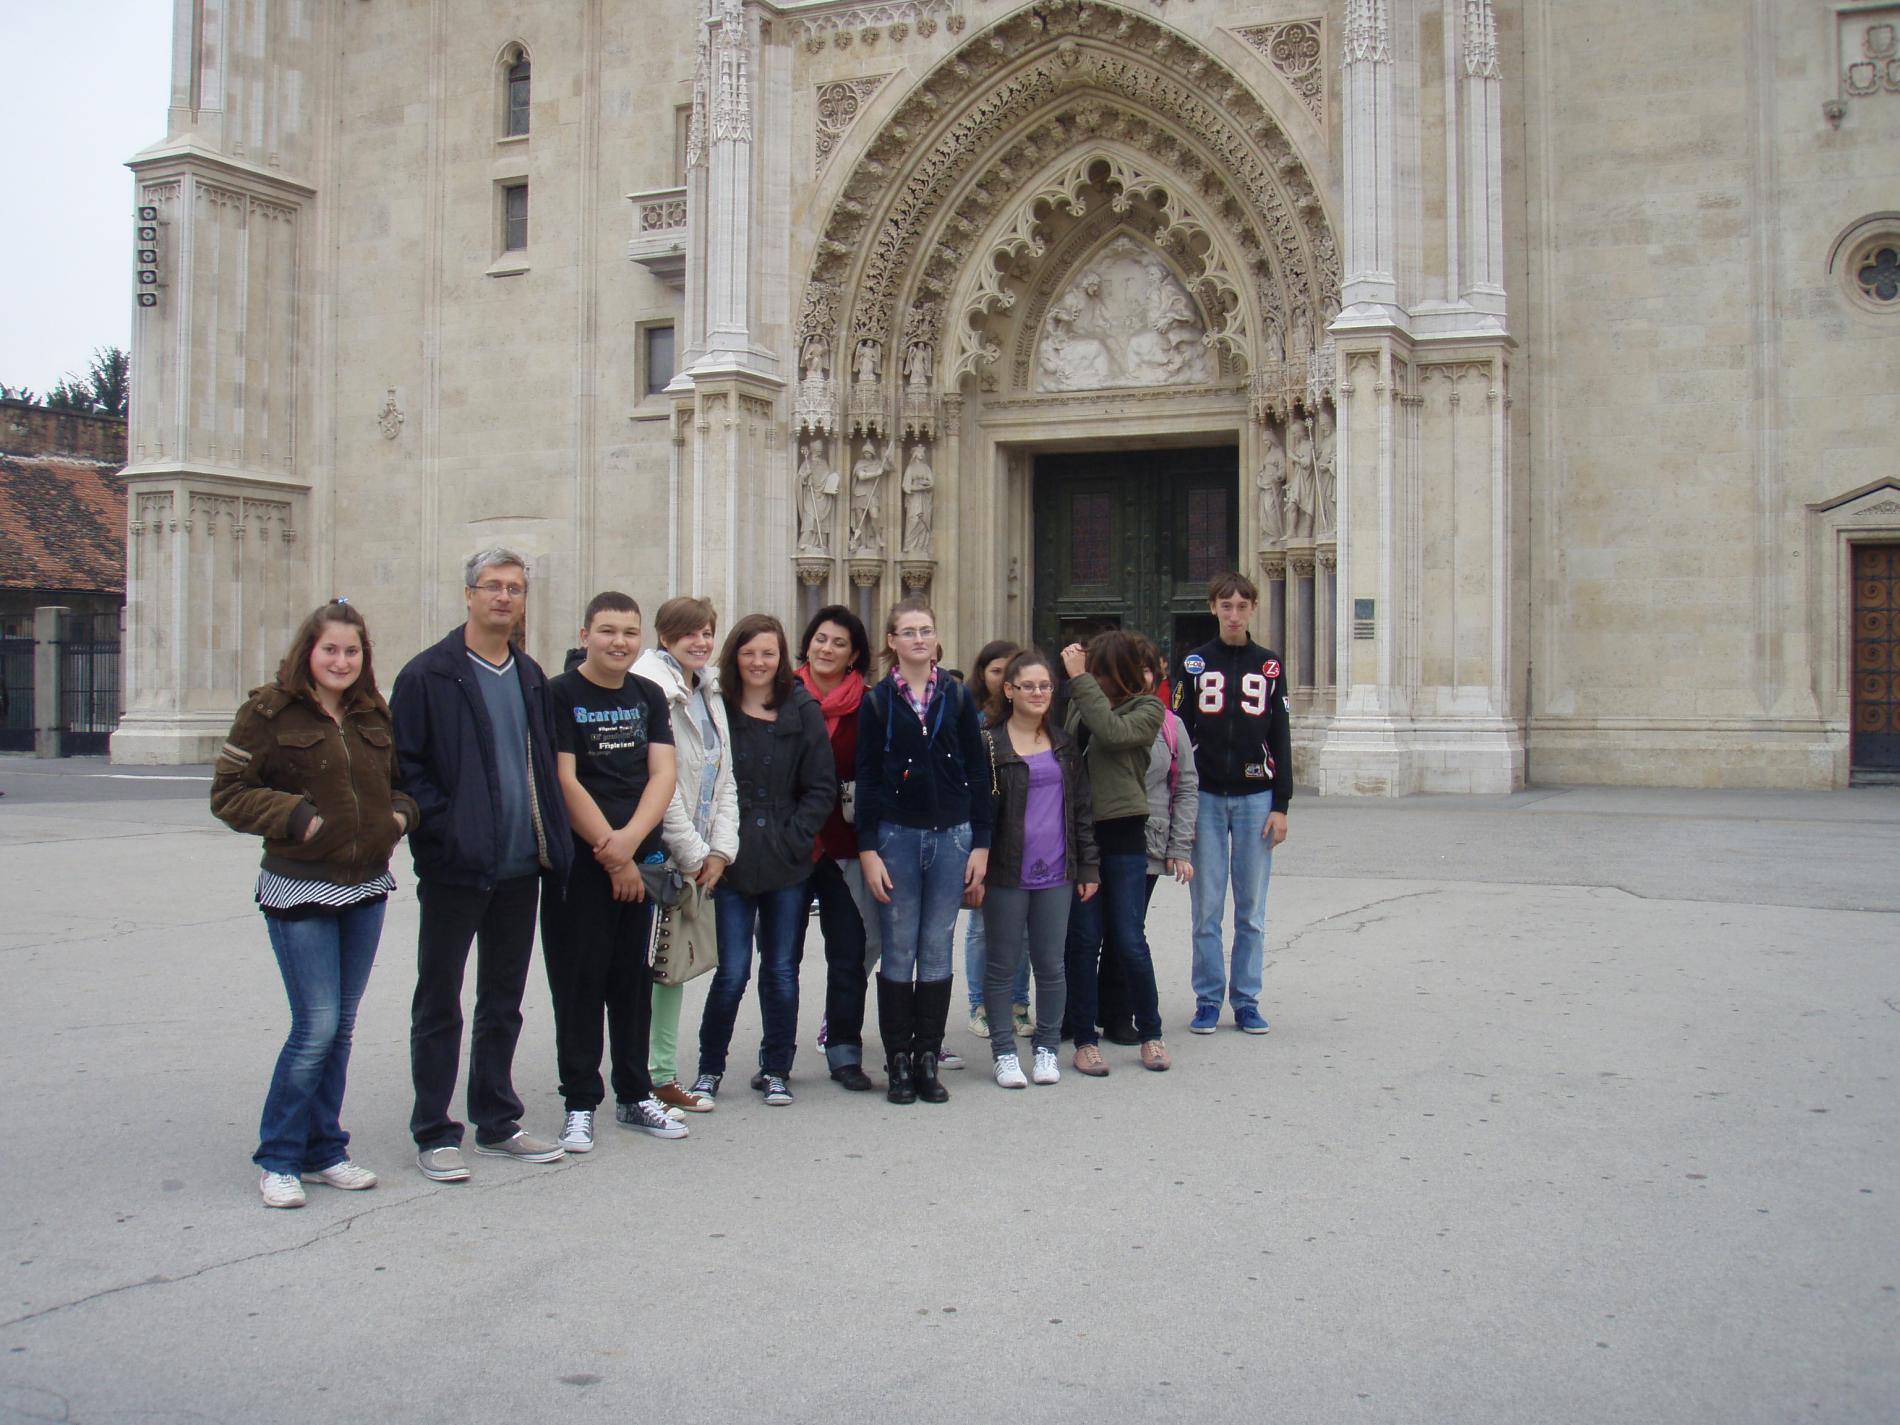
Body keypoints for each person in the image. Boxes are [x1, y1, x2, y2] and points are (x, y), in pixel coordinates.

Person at [211, 600, 419, 1207]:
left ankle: (325, 1149)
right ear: (308, 651)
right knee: (315, 1027)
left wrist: (399, 818)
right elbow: (228, 793)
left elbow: (401, 785)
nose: (341, 661)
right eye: (330, 649)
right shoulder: (268, 713)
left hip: (365, 886)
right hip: (299, 885)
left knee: (341, 1028)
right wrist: (294, 816)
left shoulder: (371, 712)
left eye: (352, 651)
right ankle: (279, 1157)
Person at [391, 547, 573, 1181]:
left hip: (521, 865)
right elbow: (406, 768)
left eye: (514, 588)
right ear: (468, 594)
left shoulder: (529, 675)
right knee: (439, 999)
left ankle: (496, 1120)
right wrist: (447, 831)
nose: (503, 597)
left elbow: (542, 762)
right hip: (457, 867)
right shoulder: (428, 675)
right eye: (492, 586)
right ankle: (434, 1130)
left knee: (503, 999)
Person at [544, 592, 687, 1152]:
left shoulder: (647, 695)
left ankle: (635, 1094)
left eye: (629, 632)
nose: (619, 642)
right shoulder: (559, 694)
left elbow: (662, 775)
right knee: (579, 984)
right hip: (582, 864)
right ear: (585, 635)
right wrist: (614, 853)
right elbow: (564, 779)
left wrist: (630, 847)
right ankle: (580, 1102)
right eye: (607, 631)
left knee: (631, 984)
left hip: (636, 862)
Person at [856, 596, 992, 1105]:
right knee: (898, 947)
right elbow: (867, 778)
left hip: (952, 835)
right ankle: (897, 1062)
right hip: (896, 836)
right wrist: (867, 849)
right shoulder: (876, 702)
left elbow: (978, 771)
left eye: (926, 630)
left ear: (936, 638)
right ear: (891, 641)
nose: (918, 639)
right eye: (908, 631)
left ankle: (927, 1058)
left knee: (937, 945)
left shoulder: (956, 697)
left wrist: (982, 843)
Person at [694, 614, 834, 1106]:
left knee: (780, 970)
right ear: (734, 656)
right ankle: (709, 1069)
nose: (758, 662)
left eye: (768, 653)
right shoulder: (716, 706)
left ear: (781, 658)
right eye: (749, 652)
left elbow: (821, 786)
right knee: (732, 972)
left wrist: (795, 837)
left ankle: (776, 1068)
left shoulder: (802, 707)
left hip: (786, 858)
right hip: (729, 856)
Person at [1172, 571, 1292, 1035]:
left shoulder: (1269, 665)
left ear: (1253, 609)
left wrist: (1282, 803)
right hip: (1204, 795)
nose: (1234, 615)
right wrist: (1177, 797)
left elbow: (1280, 734)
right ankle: (1207, 999)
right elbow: (1179, 730)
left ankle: (1246, 1000)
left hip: (1256, 796)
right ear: (1213, 609)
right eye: (1226, 606)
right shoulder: (1195, 663)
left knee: (1251, 908)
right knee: (1206, 907)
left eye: (1242, 606)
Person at [632, 597, 740, 1111]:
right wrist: (695, 853)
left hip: (693, 853)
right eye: (689, 633)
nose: (700, 642)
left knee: (667, 967)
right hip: (658, 851)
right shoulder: (651, 687)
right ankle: (642, 1076)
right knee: (644, 966)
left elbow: (725, 777)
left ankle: (658, 1073)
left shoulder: (707, 688)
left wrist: (720, 850)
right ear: (664, 635)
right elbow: (663, 784)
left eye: (707, 632)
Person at [979, 649, 1098, 1089]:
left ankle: (1046, 1047)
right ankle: (1004, 1053)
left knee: (1050, 964)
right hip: (1006, 870)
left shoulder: (1064, 744)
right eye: (1027, 686)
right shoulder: (989, 742)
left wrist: (1088, 866)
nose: (1037, 693)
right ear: (1009, 690)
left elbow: (1080, 809)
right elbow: (978, 810)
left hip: (1058, 872)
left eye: (1045, 685)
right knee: (1002, 964)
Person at [1059, 630, 1168, 1075]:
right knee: (1083, 940)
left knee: (1128, 939)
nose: (1093, 678)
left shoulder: (1148, 708)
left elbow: (1111, 732)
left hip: (1123, 833)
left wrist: (1080, 680)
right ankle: (1085, 1039)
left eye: (1099, 670)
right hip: (1082, 832)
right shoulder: (1081, 701)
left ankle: (1151, 1033)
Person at [793, 606, 885, 1092]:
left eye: (839, 643)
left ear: (854, 656)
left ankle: (844, 1049)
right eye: (821, 639)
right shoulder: (781, 695)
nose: (827, 648)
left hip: (846, 843)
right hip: (791, 845)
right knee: (780, 957)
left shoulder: (870, 705)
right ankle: (775, 1057)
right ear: (808, 642)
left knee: (851, 950)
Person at [1096, 635, 1199, 1044]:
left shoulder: (1171, 725)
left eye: (1146, 669)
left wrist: (1180, 847)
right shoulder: (1097, 715)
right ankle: (1082, 1009)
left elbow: (1186, 786)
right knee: (1089, 930)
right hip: (1097, 834)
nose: (1139, 676)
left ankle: (1119, 1012)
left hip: (1148, 840)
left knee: (1126, 929)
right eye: (1130, 668)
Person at [960, 640, 1030, 1041]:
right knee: (983, 924)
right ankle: (980, 1005)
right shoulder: (970, 718)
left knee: (1022, 927)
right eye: (995, 671)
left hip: (1025, 831)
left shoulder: (1030, 718)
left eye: (1010, 671)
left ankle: (1018, 1002)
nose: (1003, 679)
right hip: (985, 830)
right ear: (982, 674)